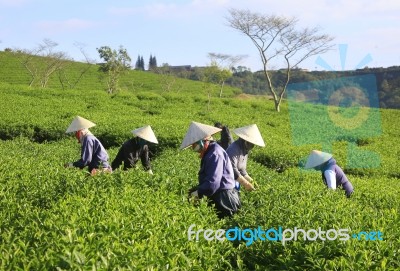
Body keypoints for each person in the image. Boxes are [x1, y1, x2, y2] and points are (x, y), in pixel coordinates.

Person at [181, 121, 241, 219]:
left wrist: (197, 193)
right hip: (219, 195)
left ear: (203, 140)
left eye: (194, 144)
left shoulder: (214, 154)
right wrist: (196, 189)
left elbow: (212, 183)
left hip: (224, 199)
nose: (193, 147)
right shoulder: (210, 152)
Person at [226, 124, 265, 192]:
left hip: (235, 182)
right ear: (245, 141)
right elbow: (232, 169)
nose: (251, 146)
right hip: (226, 182)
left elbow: (242, 170)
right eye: (250, 144)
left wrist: (251, 180)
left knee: (237, 195)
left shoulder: (244, 150)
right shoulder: (233, 149)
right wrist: (245, 183)